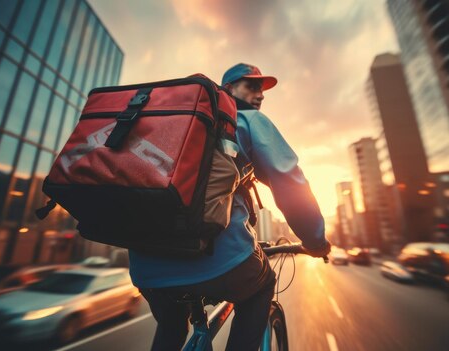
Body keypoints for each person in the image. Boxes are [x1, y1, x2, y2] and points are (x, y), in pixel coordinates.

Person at [128, 63, 331, 351]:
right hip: (217, 259)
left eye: (262, 90)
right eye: (251, 86)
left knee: (171, 324)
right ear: (228, 89)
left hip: (144, 265)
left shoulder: (164, 125)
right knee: (261, 285)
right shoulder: (245, 120)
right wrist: (315, 240)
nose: (260, 95)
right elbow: (290, 183)